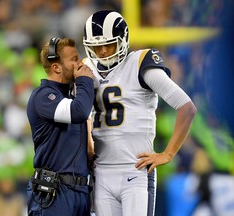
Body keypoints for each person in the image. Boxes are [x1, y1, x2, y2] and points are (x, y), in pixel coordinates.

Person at [82, 10, 197, 216]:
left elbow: (186, 107)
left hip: (135, 171)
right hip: (100, 173)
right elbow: (81, 116)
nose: (102, 51)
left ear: (123, 40)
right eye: (97, 46)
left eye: (108, 44)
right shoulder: (85, 68)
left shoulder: (140, 62)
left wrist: (168, 153)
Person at [26, 37, 95, 215]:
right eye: (73, 59)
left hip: (80, 192)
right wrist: (86, 81)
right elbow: (77, 112)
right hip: (53, 193)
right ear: (56, 67)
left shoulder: (72, 96)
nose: (79, 63)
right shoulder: (42, 96)